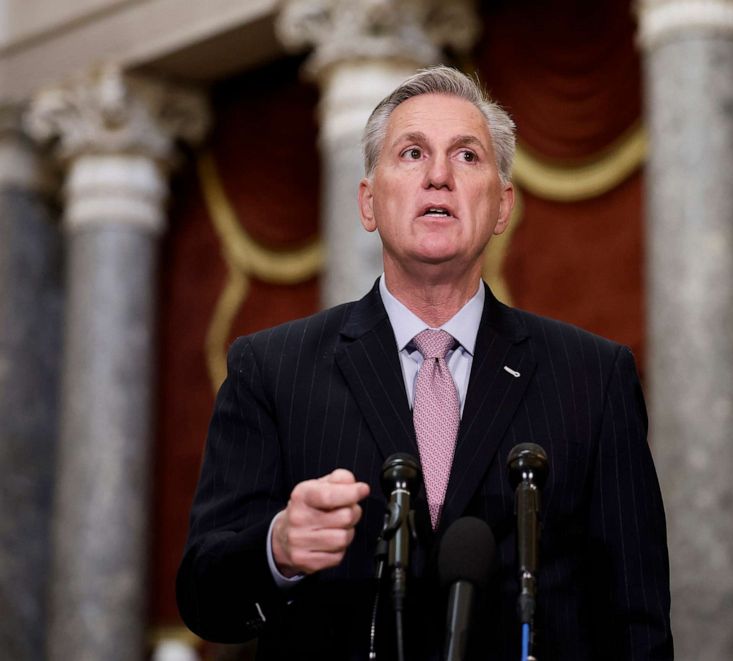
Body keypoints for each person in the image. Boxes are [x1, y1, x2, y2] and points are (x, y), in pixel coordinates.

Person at [177, 66, 673, 660]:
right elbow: (205, 598)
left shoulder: (593, 378)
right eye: (412, 153)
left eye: (466, 156)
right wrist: (277, 549)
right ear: (367, 202)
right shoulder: (271, 370)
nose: (438, 176)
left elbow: (638, 624)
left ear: (502, 207)